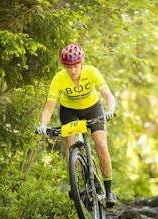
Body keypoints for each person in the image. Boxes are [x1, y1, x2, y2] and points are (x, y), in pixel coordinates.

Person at [37, 44, 117, 208]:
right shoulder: (59, 78)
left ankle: (109, 190)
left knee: (101, 144)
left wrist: (110, 110)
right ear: (63, 65)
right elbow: (49, 106)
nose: (72, 70)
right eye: (68, 66)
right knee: (71, 145)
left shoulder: (91, 72)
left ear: (82, 62)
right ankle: (76, 183)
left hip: (93, 109)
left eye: (75, 66)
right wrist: (43, 125)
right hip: (70, 111)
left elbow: (108, 95)